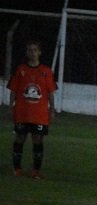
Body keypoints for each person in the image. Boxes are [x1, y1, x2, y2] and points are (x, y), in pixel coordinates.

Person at [7, 39, 58, 179]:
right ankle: (17, 169)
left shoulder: (46, 71)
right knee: (20, 138)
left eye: (35, 50)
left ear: (39, 52)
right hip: (22, 112)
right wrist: (10, 107)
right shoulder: (20, 70)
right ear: (27, 52)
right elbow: (13, 90)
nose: (32, 53)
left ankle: (36, 171)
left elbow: (50, 92)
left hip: (39, 114)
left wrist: (52, 109)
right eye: (30, 50)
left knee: (38, 140)